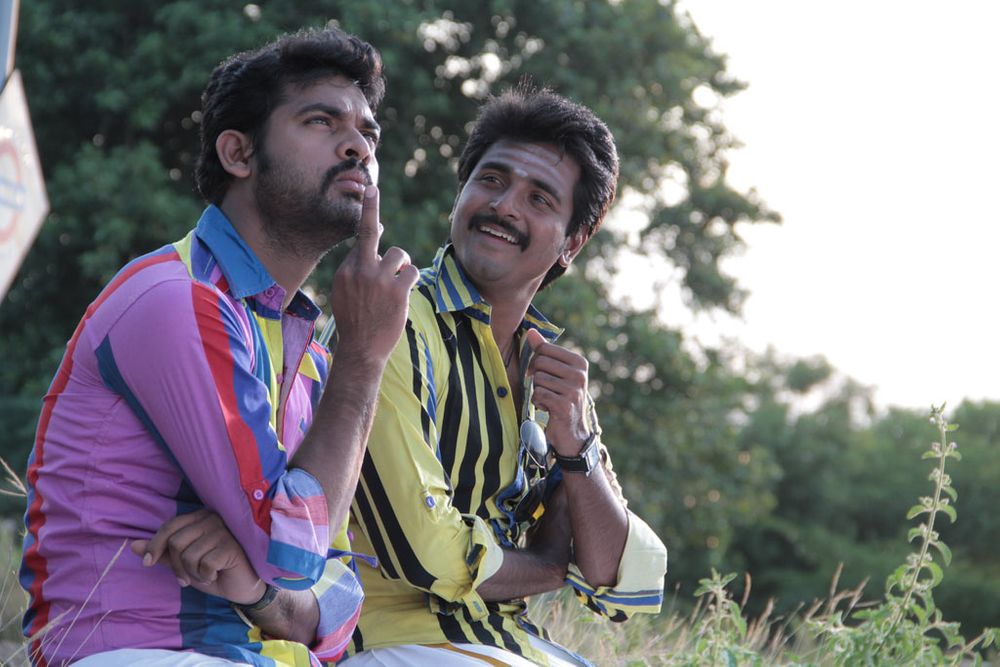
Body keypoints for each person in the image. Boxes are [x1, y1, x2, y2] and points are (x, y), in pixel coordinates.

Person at [143, 85, 667, 666]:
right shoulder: (394, 320)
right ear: (461, 193)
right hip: (389, 645)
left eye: (539, 199)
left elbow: (622, 588)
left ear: (573, 243)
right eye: (491, 180)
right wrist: (549, 565)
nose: (505, 206)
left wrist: (578, 450)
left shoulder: (551, 374)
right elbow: (424, 552)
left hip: (505, 647)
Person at [18, 26, 418, 666]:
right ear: (238, 152)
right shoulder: (178, 301)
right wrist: (365, 358)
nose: (358, 147)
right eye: (321, 121)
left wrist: (264, 592)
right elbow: (296, 555)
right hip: (133, 650)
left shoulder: (307, 354)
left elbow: (344, 592)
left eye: (369, 133)